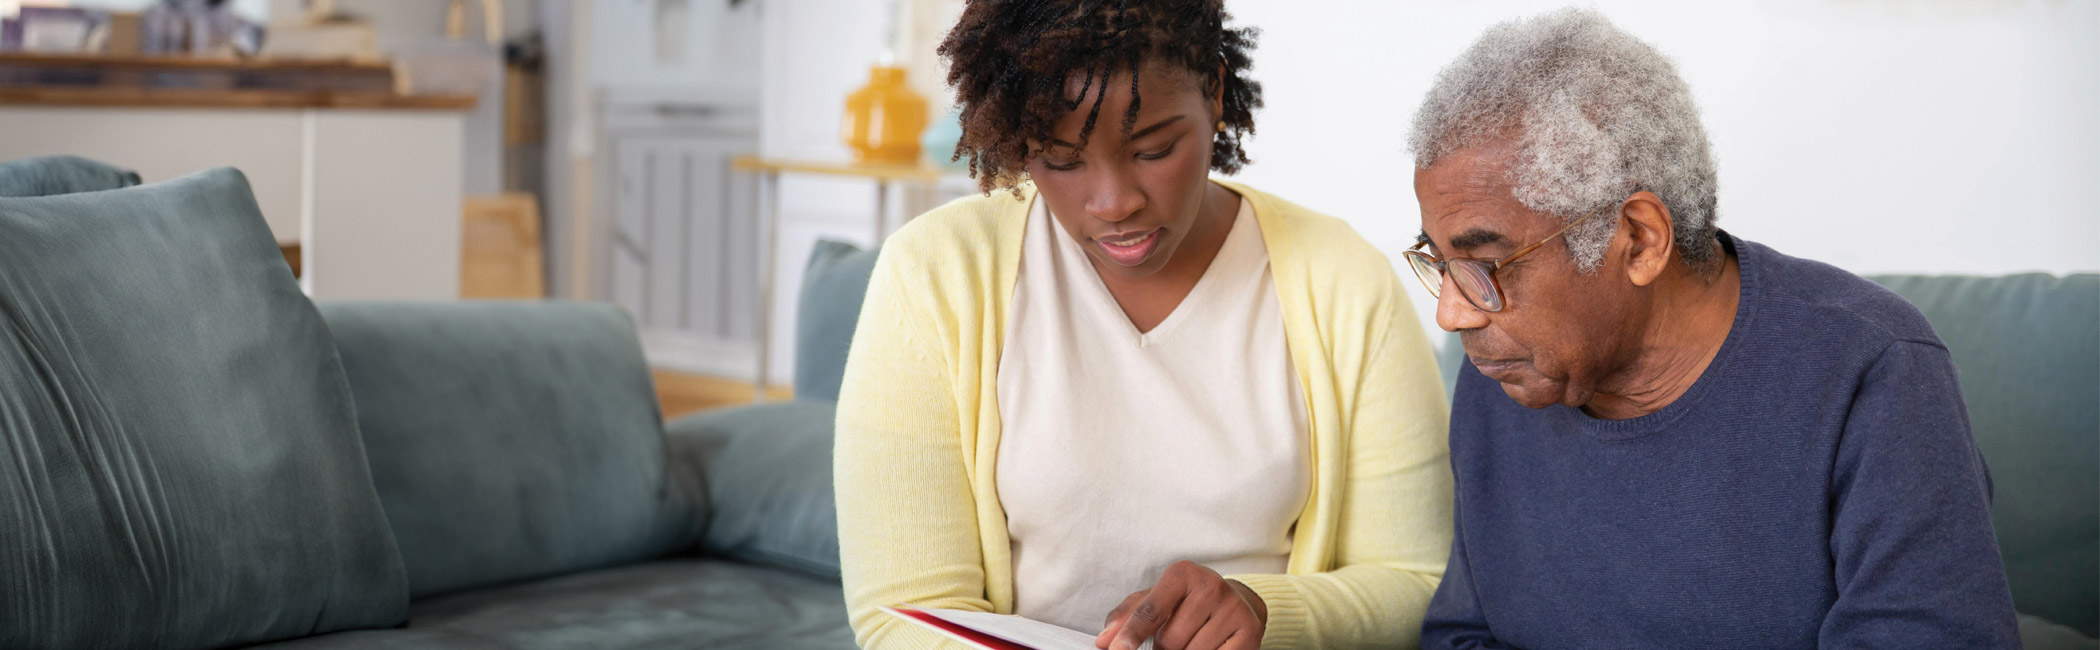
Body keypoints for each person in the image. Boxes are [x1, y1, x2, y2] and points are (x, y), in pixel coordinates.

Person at [833, 1, 1453, 649]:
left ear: (1213, 91)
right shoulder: (936, 273)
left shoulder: (1345, 282)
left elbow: (1416, 580)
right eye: (1062, 161)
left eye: (1154, 149)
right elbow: (903, 614)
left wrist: (1265, 612)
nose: (1115, 201)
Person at [1404, 9, 2020, 648]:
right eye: (1439, 261)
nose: (1452, 312)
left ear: (1639, 239)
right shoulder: (1505, 371)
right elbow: (1464, 632)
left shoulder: (1872, 371)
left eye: (1482, 264)